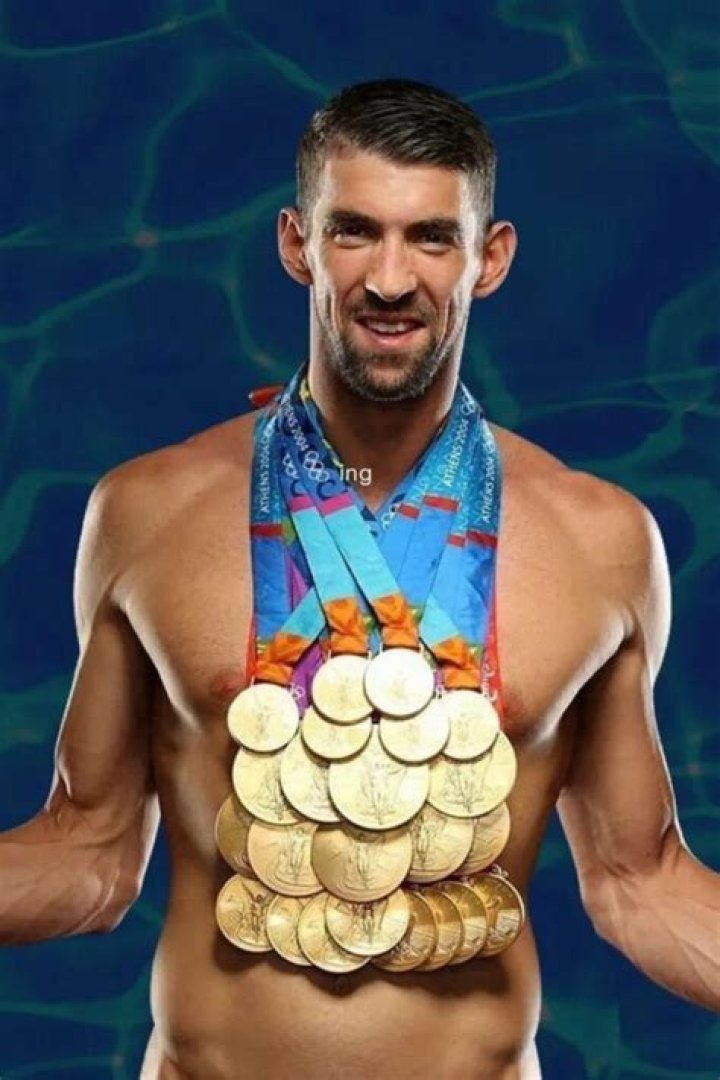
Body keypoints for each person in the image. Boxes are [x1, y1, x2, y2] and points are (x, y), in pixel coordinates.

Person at [1, 78, 718, 1080]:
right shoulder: (147, 511)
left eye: (431, 237)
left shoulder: (601, 540)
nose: (388, 279)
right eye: (353, 232)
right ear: (297, 243)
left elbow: (639, 881)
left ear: (489, 258)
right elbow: (91, 852)